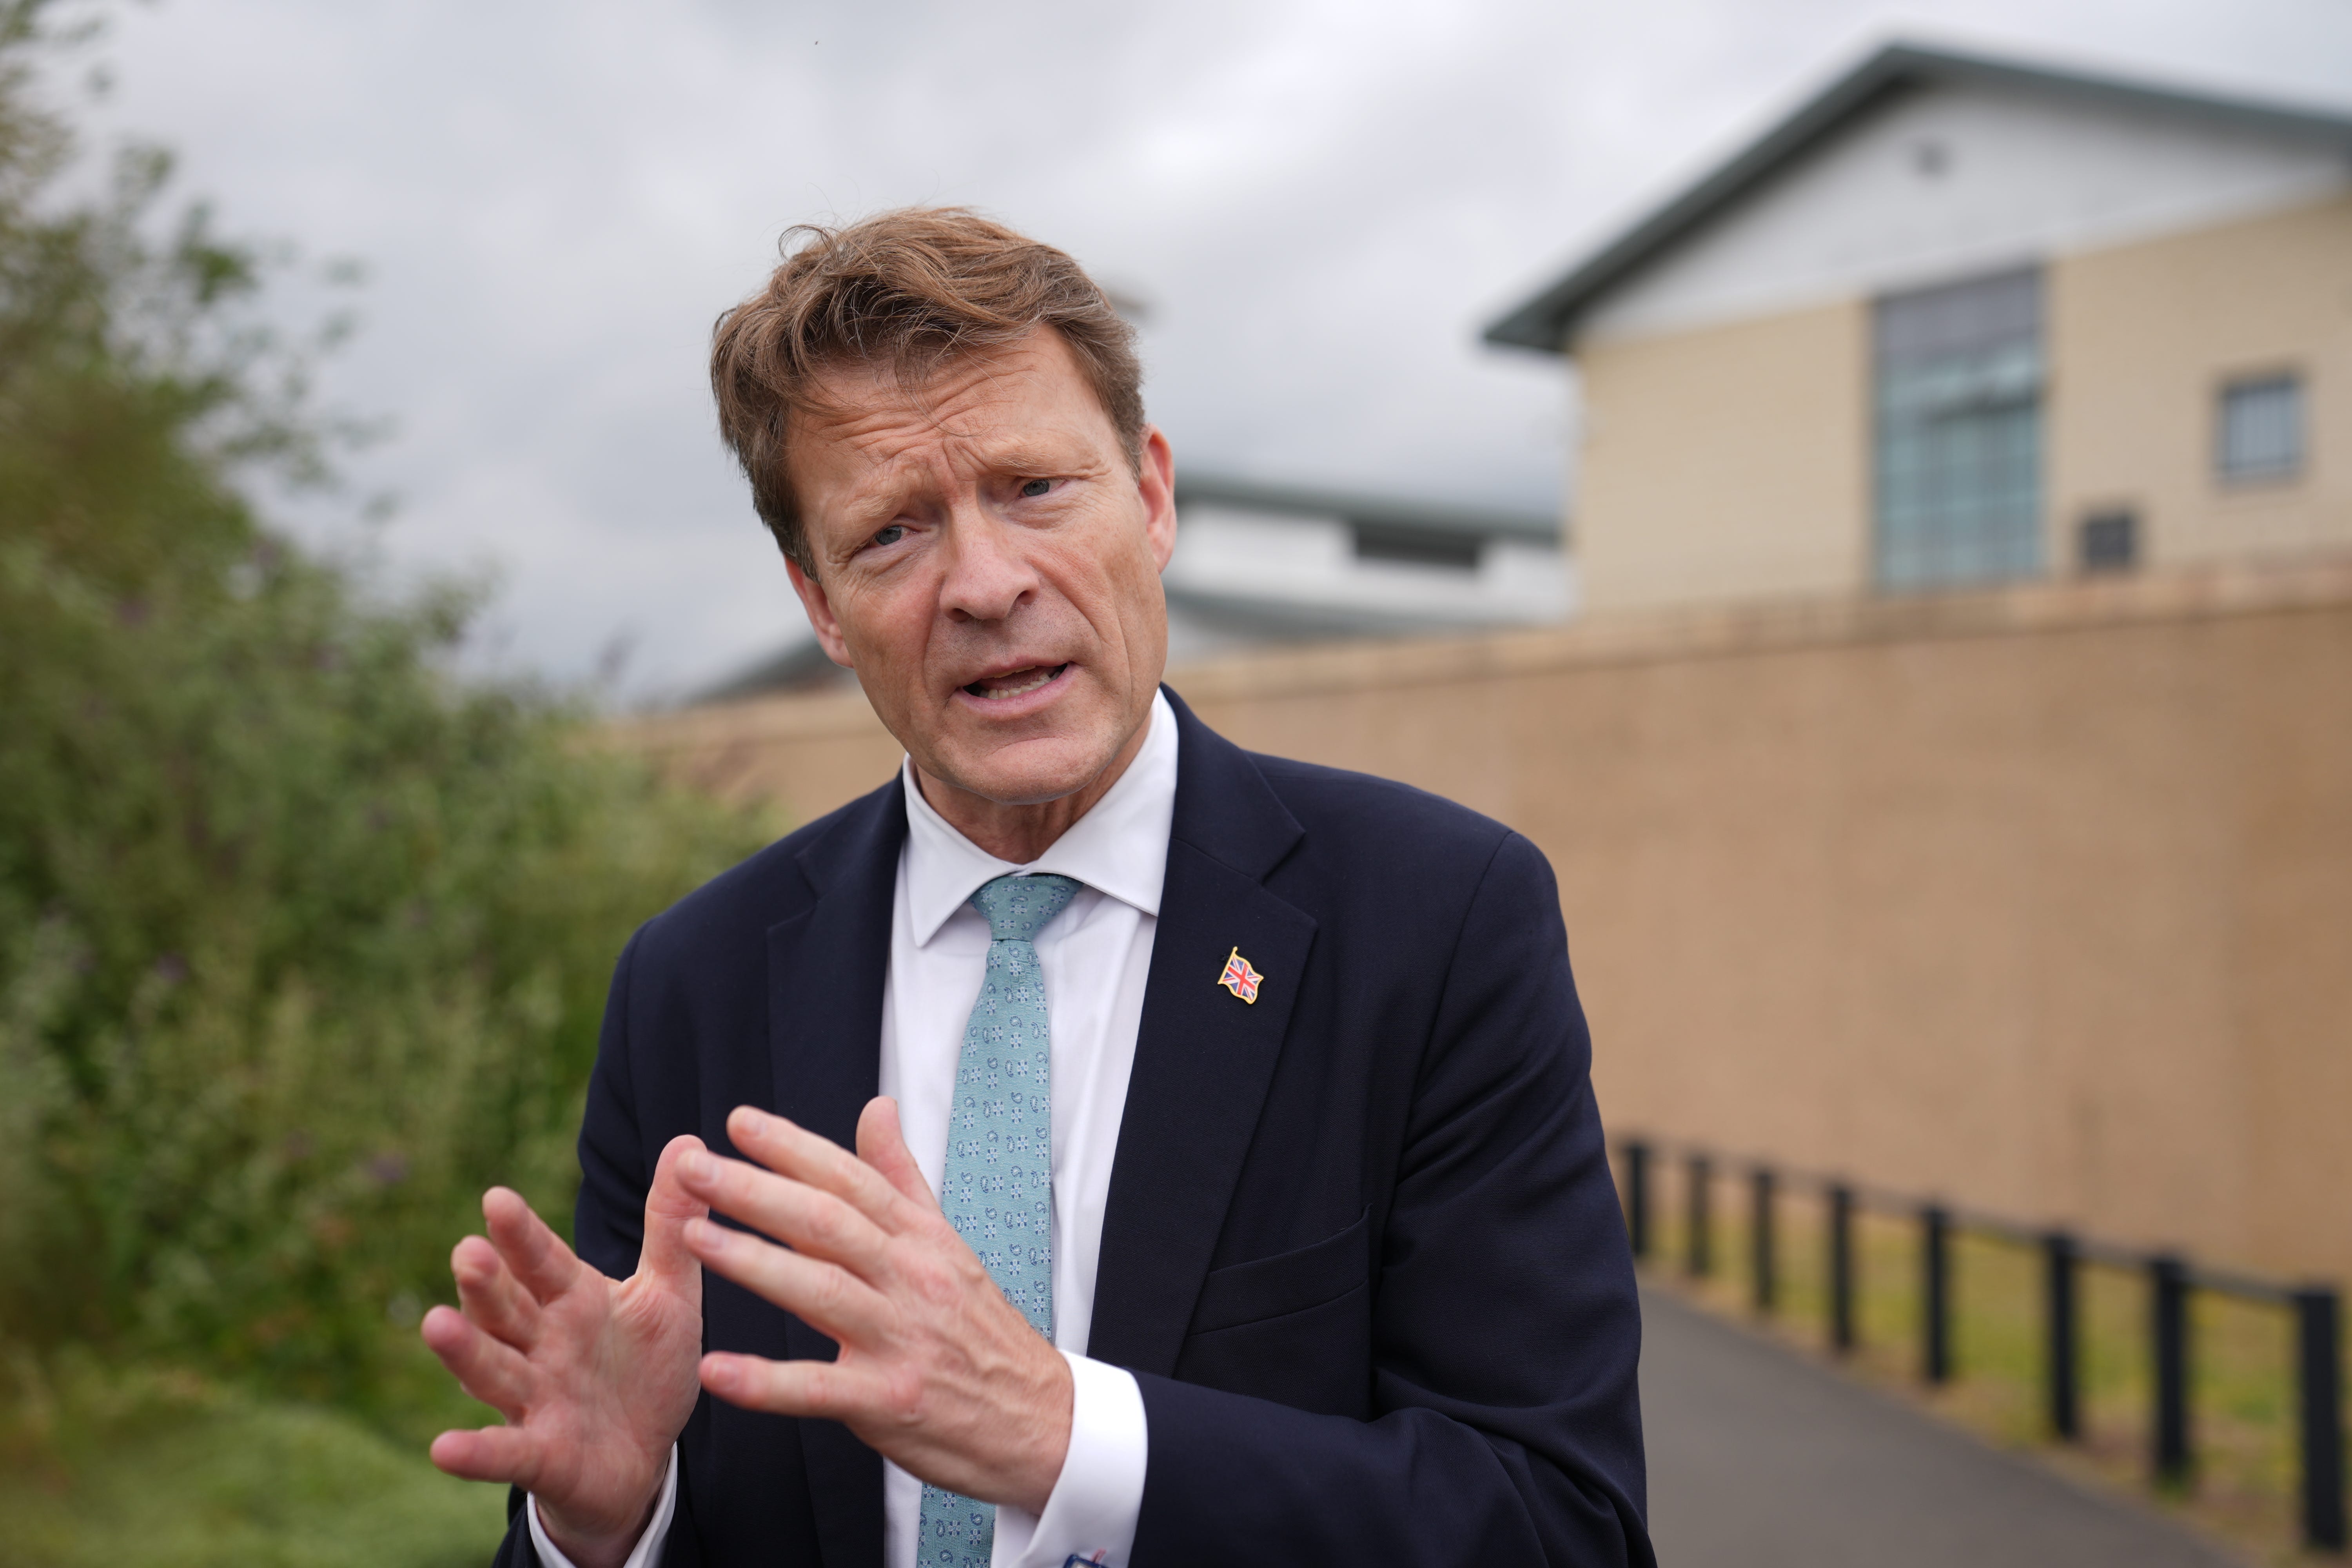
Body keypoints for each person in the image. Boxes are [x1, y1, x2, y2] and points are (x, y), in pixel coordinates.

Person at [420, 207, 1651, 1568]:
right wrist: (608, 1525)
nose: (986, 583)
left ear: (1154, 494)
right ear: (819, 604)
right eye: (891, 534)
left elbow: (1559, 1527)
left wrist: (1065, 1434)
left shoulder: (1437, 923)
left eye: (1035, 489)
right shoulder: (695, 984)